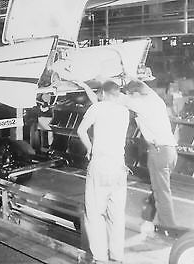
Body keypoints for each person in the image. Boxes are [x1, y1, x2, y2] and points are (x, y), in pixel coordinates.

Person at [77, 80, 129, 263]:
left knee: (94, 214)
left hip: (100, 166)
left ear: (104, 94)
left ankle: (100, 258)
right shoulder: (124, 111)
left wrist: (90, 148)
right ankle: (117, 257)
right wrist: (84, 86)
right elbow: (102, 102)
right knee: (116, 215)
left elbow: (81, 131)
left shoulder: (97, 109)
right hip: (119, 168)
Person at [120, 77, 178, 229]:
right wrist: (130, 76)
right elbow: (143, 86)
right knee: (158, 188)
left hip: (159, 152)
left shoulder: (141, 104)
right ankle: (148, 219)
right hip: (170, 151)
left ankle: (169, 228)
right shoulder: (155, 99)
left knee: (161, 193)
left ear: (136, 94)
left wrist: (99, 80)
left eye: (131, 94)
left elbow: (118, 97)